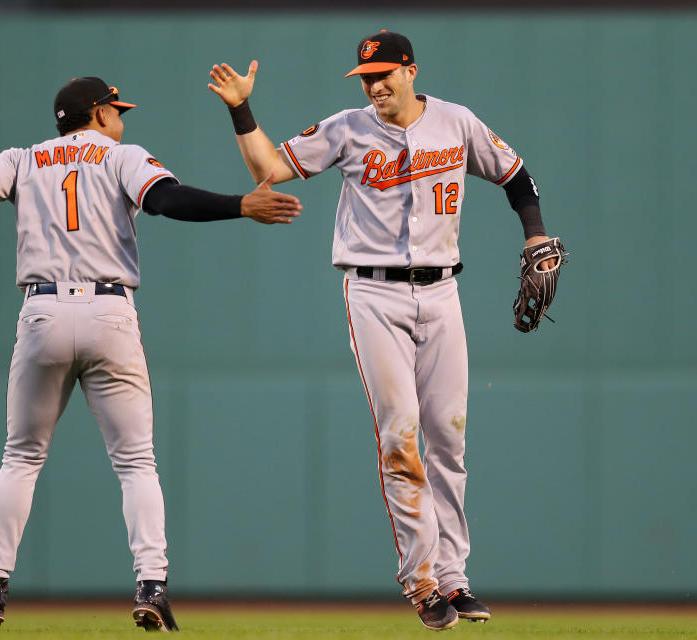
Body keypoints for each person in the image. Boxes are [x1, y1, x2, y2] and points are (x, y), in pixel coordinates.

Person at [0, 76, 301, 632]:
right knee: (136, 461)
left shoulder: (21, 159)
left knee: (20, 457)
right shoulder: (122, 156)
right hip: (109, 312)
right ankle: (152, 586)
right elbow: (165, 200)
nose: (122, 118)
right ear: (96, 113)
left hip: (41, 313)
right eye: (116, 109)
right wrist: (241, 204)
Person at [207, 31, 557, 630]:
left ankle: (455, 578)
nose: (375, 85)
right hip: (373, 291)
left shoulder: (456, 122)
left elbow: (516, 176)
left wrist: (535, 234)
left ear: (412, 70)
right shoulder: (347, 128)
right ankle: (422, 582)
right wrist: (241, 107)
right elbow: (268, 168)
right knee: (400, 432)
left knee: (449, 439)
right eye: (366, 77)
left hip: (443, 290)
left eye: (384, 73)